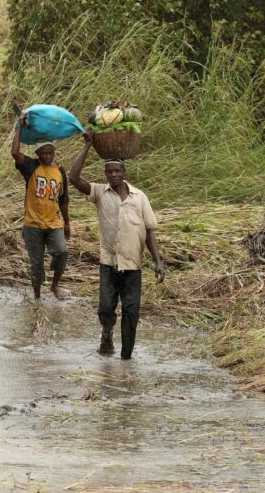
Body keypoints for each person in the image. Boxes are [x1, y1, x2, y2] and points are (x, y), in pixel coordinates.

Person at [68, 132, 165, 359]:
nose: (113, 175)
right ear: (105, 174)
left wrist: (158, 262)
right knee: (105, 309)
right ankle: (107, 334)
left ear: (124, 173)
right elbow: (73, 177)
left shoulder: (139, 197)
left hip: (133, 265)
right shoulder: (100, 192)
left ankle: (126, 359)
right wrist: (88, 145)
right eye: (109, 171)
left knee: (131, 313)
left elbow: (149, 231)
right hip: (108, 263)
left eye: (117, 171)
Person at [11, 112, 70, 300]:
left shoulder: (60, 171)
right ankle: (37, 298)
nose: (46, 155)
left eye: (49, 152)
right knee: (36, 263)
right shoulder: (31, 167)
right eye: (43, 152)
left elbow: (63, 200)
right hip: (33, 225)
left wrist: (67, 222)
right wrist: (20, 126)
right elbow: (15, 153)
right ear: (37, 153)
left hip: (54, 223)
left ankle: (55, 286)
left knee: (61, 252)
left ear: (54, 152)